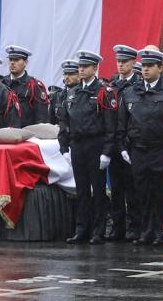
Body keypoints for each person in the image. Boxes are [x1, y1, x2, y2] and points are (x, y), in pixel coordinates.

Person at [117, 49, 163, 246]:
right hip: (138, 150)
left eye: (150, 66)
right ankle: (144, 231)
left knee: (159, 192)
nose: (146, 70)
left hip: (161, 149)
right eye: (144, 66)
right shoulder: (130, 92)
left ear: (160, 67)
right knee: (141, 193)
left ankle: (160, 231)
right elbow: (122, 123)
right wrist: (122, 147)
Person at [58, 50, 118, 245]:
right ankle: (81, 230)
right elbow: (65, 122)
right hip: (77, 144)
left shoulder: (103, 92)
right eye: (80, 66)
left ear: (95, 68)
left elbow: (111, 125)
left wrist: (107, 152)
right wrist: (64, 147)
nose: (81, 69)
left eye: (85, 66)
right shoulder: (73, 92)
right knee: (81, 190)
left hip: (95, 144)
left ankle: (98, 231)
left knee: (98, 190)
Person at [106, 45, 140, 242]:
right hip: (114, 142)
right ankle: (117, 227)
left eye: (125, 62)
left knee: (132, 189)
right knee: (117, 188)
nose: (121, 65)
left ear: (133, 63)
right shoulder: (112, 85)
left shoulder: (137, 84)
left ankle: (134, 226)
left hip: (130, 143)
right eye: (119, 61)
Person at [1, 45, 50, 127]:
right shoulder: (2, 83)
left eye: (16, 60)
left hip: (26, 135)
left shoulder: (34, 85)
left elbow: (41, 118)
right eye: (10, 59)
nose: (12, 63)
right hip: (3, 134)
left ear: (25, 62)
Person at [49, 60, 80, 126]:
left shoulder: (83, 95)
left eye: (71, 74)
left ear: (79, 75)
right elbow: (50, 121)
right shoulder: (56, 96)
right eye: (65, 74)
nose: (67, 77)